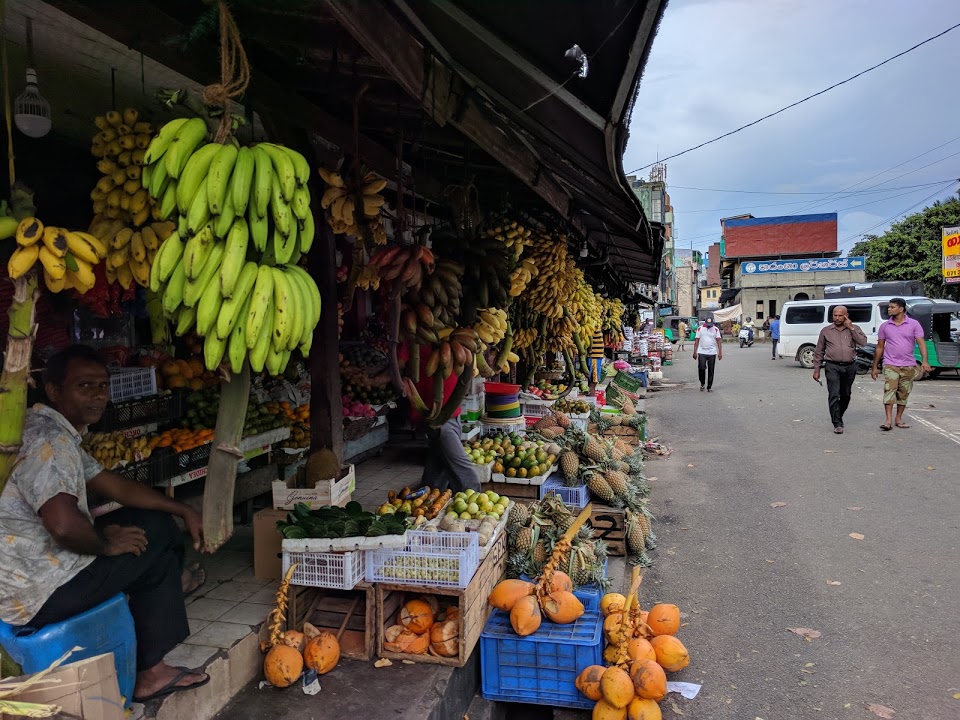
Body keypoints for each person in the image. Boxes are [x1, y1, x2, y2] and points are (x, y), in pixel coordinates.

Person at [0, 346, 210, 702]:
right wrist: (105, 543)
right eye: (84, 386)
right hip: (43, 592)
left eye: (102, 385)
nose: (98, 395)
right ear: (53, 390)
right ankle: (151, 671)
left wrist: (181, 508)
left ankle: (163, 611)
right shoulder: (50, 442)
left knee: (151, 532)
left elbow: (115, 486)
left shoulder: (43, 427)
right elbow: (64, 525)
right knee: (158, 535)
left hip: (28, 580)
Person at [410, 345, 481, 493]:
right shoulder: (416, 342)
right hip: (439, 418)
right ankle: (475, 502)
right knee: (466, 476)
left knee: (436, 471)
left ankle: (427, 500)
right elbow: (399, 364)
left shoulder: (455, 343)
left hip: (452, 414)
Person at [871, 298, 931, 431]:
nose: (889, 309)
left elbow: (921, 343)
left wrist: (925, 361)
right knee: (889, 390)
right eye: (889, 307)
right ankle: (888, 420)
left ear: (901, 309)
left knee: (903, 393)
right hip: (890, 364)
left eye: (892, 307)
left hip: (908, 365)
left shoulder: (914, 324)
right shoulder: (885, 326)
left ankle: (898, 418)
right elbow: (880, 347)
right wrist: (874, 366)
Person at [812, 306, 867, 434]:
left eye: (840, 315)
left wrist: (851, 327)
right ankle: (837, 423)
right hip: (832, 366)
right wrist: (816, 369)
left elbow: (863, 342)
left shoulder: (854, 328)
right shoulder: (826, 331)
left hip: (849, 366)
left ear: (846, 316)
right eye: (835, 315)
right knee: (834, 394)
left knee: (846, 394)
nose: (837, 318)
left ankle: (838, 414)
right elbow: (819, 351)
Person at [692, 317, 722, 392]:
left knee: (711, 370)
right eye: (708, 324)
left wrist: (720, 352)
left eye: (710, 325)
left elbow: (718, 341)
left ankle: (709, 386)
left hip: (712, 352)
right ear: (705, 323)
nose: (709, 326)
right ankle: (702, 383)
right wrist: (694, 352)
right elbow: (697, 340)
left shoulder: (716, 329)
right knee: (701, 368)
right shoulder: (700, 329)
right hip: (702, 351)